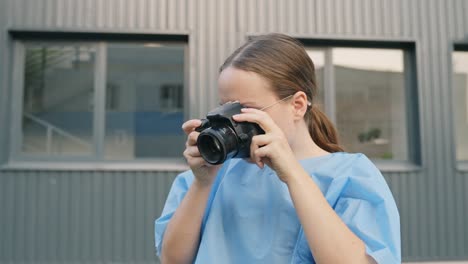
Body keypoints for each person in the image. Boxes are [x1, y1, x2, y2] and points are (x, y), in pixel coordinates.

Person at [155, 33, 401, 264]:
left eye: (247, 110)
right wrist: (202, 183)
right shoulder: (211, 175)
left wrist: (293, 175)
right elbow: (173, 260)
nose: (233, 121)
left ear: (297, 105)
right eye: (226, 107)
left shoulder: (349, 176)